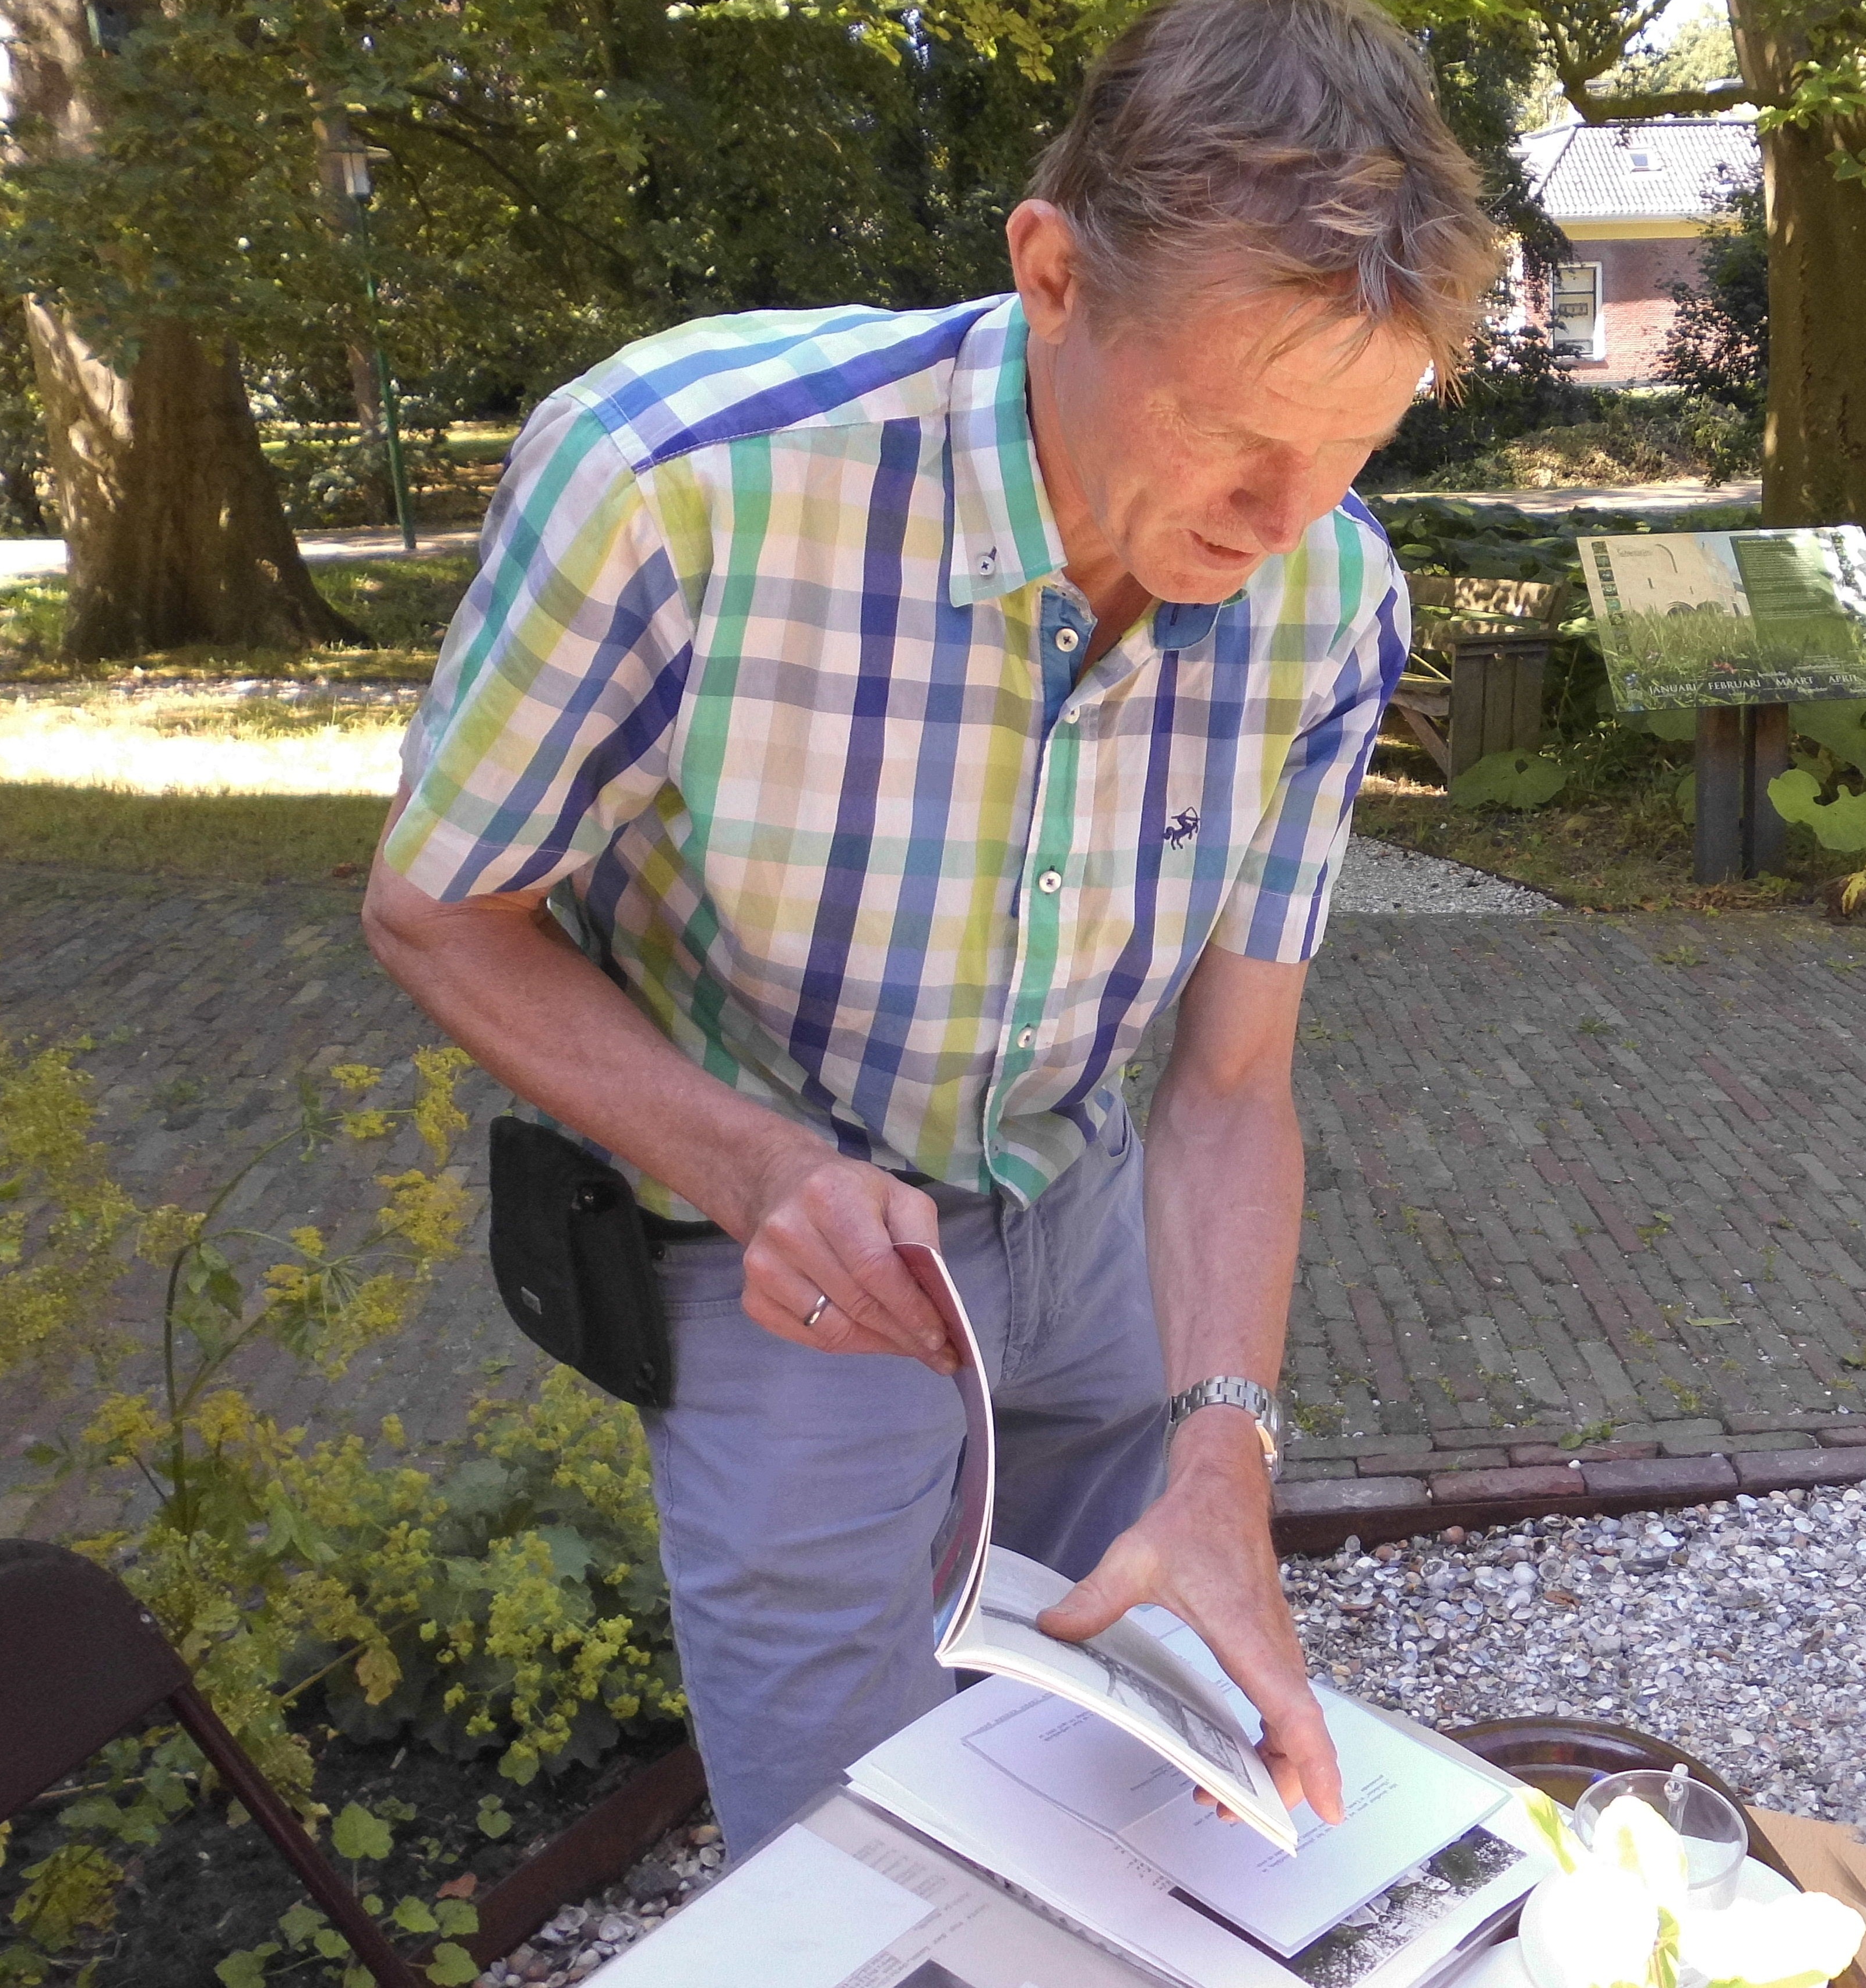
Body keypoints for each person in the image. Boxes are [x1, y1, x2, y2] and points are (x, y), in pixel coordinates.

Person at [362, 0, 1500, 1849]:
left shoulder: (1334, 605)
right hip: (782, 1271)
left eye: (1350, 444)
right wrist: (749, 1169)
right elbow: (436, 908)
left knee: (1128, 1805)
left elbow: (1229, 1084)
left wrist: (1224, 1442)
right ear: (1051, 273)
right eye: (1229, 431)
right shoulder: (678, 481)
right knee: (855, 1852)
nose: (1282, 521)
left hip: (1097, 1213)